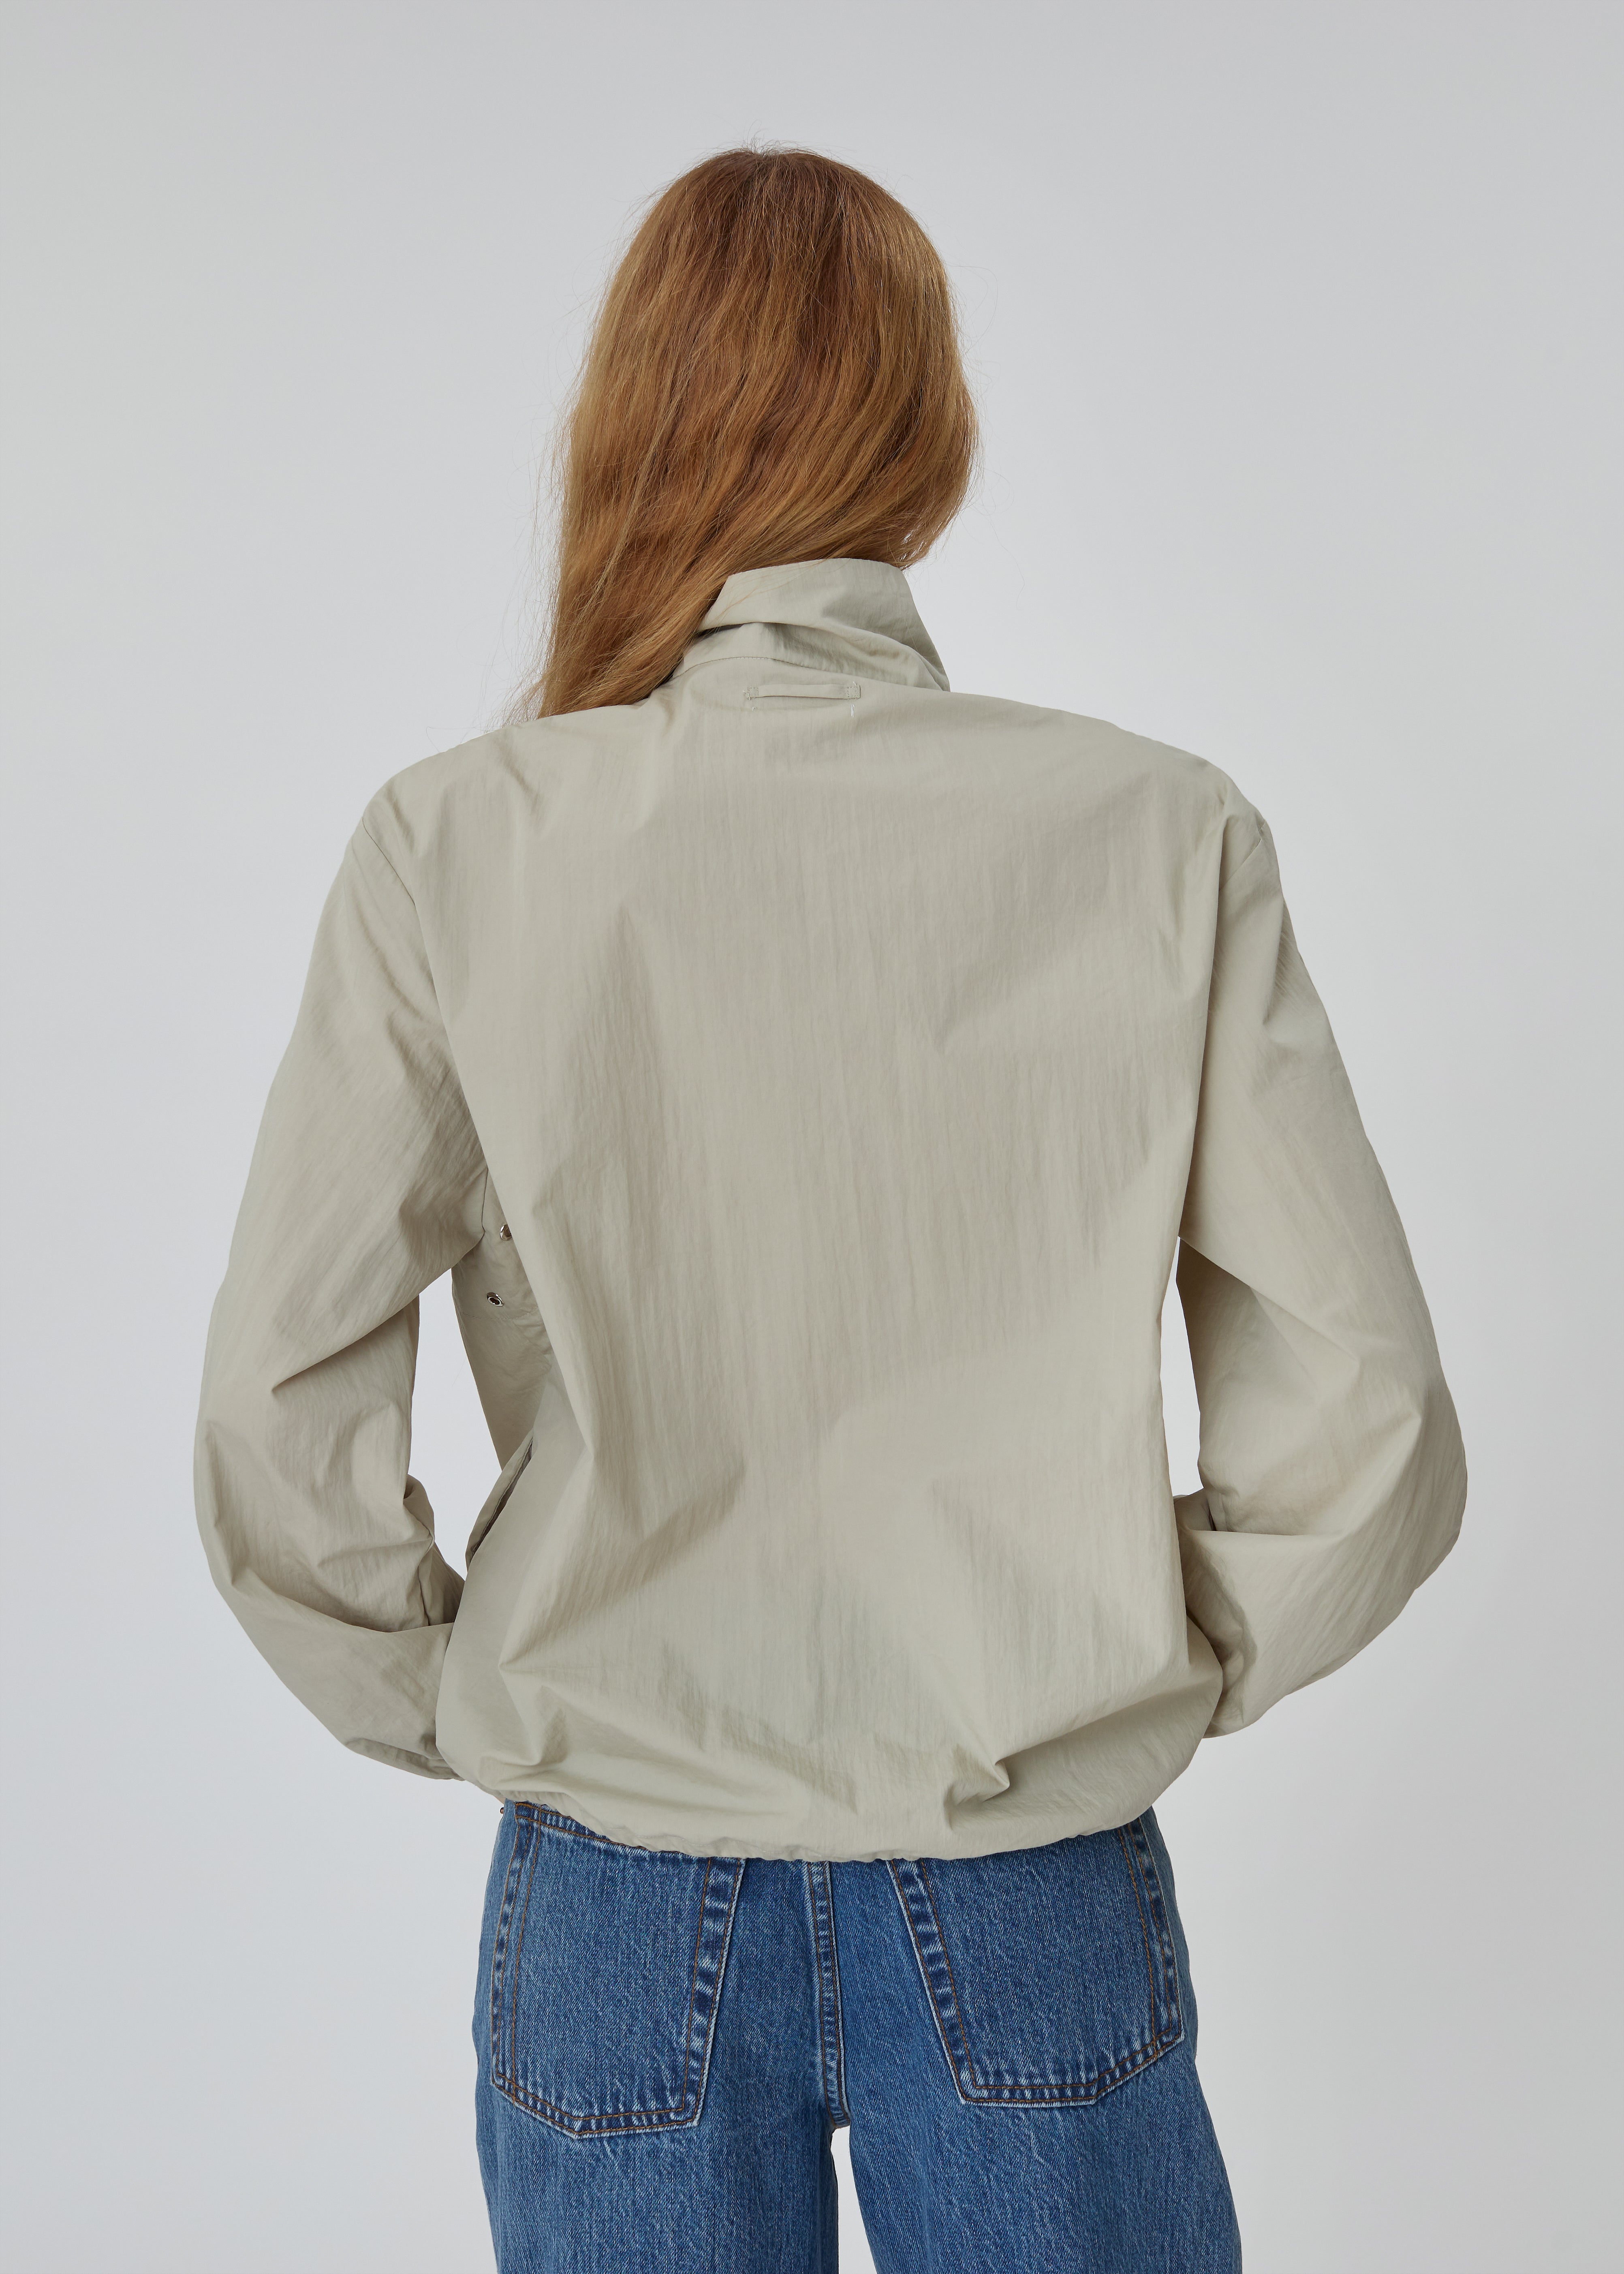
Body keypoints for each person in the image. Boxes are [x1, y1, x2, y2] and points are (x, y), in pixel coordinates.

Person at [194, 147, 1466, 2274]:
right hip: (1025, 1857)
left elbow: (277, 1406)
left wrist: (475, 1690)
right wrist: (1130, 1653)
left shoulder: (454, 843)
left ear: (626, 424)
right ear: (929, 445)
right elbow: (1369, 1415)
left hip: (614, 1877)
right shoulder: (1156, 831)